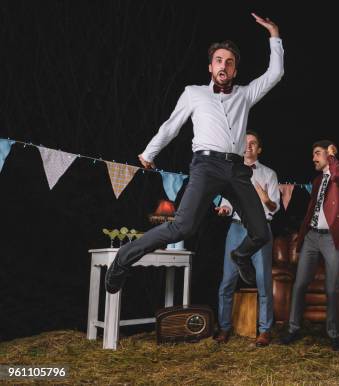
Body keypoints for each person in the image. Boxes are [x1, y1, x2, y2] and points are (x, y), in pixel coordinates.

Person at [105, 13, 284, 294]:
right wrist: (149, 152)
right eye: (219, 61)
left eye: (229, 62)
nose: (223, 65)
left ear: (235, 70)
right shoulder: (194, 93)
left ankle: (240, 255)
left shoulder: (245, 94)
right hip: (206, 165)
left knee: (261, 233)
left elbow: (275, 74)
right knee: (182, 228)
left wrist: (274, 33)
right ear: (210, 67)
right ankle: (123, 259)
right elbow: (171, 125)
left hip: (237, 170)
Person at [280, 140, 339, 351]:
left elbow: (338, 178)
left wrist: (333, 159)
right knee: (299, 284)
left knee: (332, 288)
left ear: (330, 154)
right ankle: (293, 328)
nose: (313, 158)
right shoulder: (316, 181)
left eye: (317, 153)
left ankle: (334, 334)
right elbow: (311, 209)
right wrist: (303, 232)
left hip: (333, 239)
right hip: (312, 237)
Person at [214, 131, 280, 347]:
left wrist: (266, 199)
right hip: (236, 228)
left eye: (253, 143)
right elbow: (227, 203)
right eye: (246, 143)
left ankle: (264, 330)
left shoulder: (269, 174)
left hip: (261, 230)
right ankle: (224, 328)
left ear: (259, 149)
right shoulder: (232, 172)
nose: (248, 146)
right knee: (227, 281)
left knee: (263, 281)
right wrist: (224, 209)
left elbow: (274, 208)